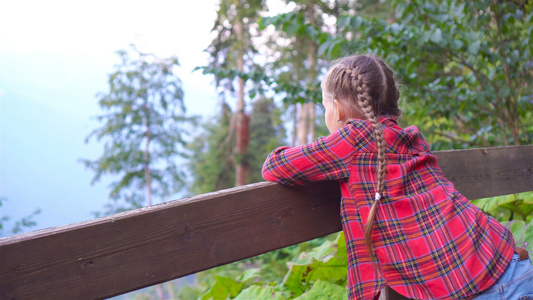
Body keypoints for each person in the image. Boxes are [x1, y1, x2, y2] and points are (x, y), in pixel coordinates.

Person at [261, 54, 532, 299]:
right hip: (506, 261)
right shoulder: (411, 138)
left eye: (325, 108)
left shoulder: (352, 139)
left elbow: (275, 165)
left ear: (338, 109)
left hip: (484, 290)